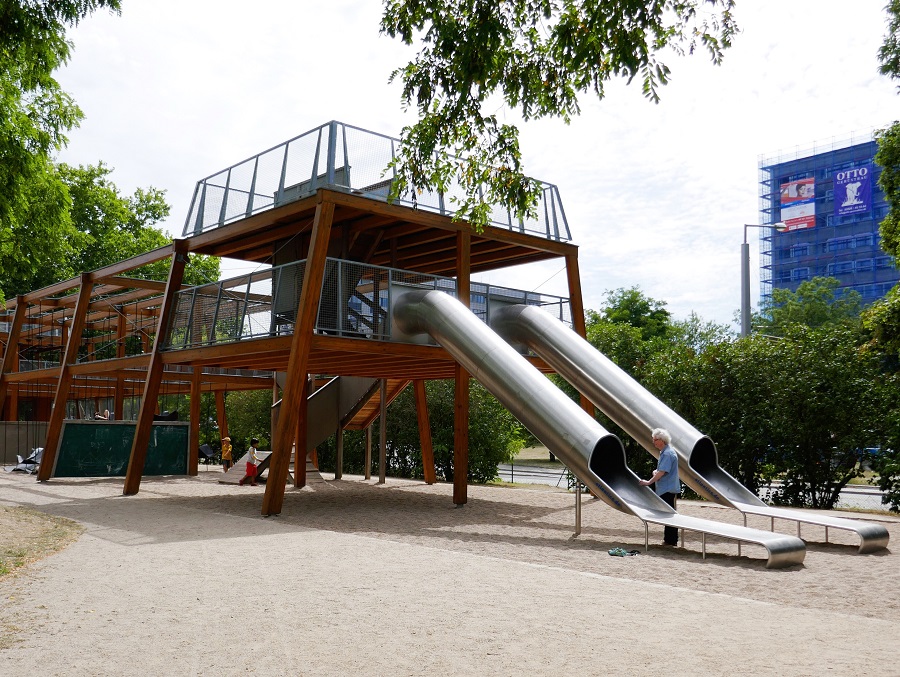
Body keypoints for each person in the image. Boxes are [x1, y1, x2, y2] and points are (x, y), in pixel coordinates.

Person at [638, 428, 680, 546]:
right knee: (668, 513)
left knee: (669, 514)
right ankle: (669, 539)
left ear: (662, 440)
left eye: (655, 440)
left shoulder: (667, 453)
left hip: (667, 488)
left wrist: (648, 482)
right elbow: (661, 470)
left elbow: (662, 473)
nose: (653, 442)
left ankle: (671, 540)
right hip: (667, 487)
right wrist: (655, 471)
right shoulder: (666, 452)